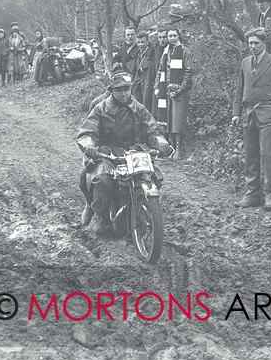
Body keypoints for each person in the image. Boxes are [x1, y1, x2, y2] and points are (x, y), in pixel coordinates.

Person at [76, 71, 172, 235]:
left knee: (152, 175)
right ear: (111, 90)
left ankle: (139, 207)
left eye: (127, 89)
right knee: (102, 181)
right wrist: (89, 145)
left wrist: (161, 142)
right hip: (106, 152)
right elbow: (87, 132)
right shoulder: (100, 109)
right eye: (119, 89)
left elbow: (152, 130)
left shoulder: (138, 109)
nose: (124, 93)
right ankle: (100, 215)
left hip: (131, 150)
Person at [231, 27, 271, 211]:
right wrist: (236, 112)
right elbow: (239, 89)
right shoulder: (245, 63)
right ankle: (252, 194)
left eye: (256, 43)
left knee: (268, 155)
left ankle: (270, 195)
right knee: (250, 155)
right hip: (249, 114)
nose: (253, 47)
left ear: (264, 43)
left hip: (268, 113)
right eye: (250, 43)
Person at [155, 27, 193, 158]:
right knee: (167, 118)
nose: (171, 38)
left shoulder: (184, 51)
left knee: (178, 119)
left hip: (180, 90)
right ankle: (169, 147)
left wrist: (181, 89)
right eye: (169, 36)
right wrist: (157, 87)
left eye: (174, 35)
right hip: (166, 90)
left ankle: (179, 148)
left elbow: (188, 72)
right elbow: (160, 70)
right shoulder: (166, 52)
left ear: (178, 36)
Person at [132, 30, 156, 112]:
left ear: (147, 42)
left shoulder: (152, 54)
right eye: (138, 42)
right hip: (139, 84)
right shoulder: (138, 54)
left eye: (142, 42)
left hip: (148, 84)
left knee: (148, 107)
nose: (140, 45)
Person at [150, 27, 169, 118]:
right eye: (160, 37)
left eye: (164, 37)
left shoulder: (172, 50)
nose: (162, 39)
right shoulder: (155, 50)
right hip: (157, 82)